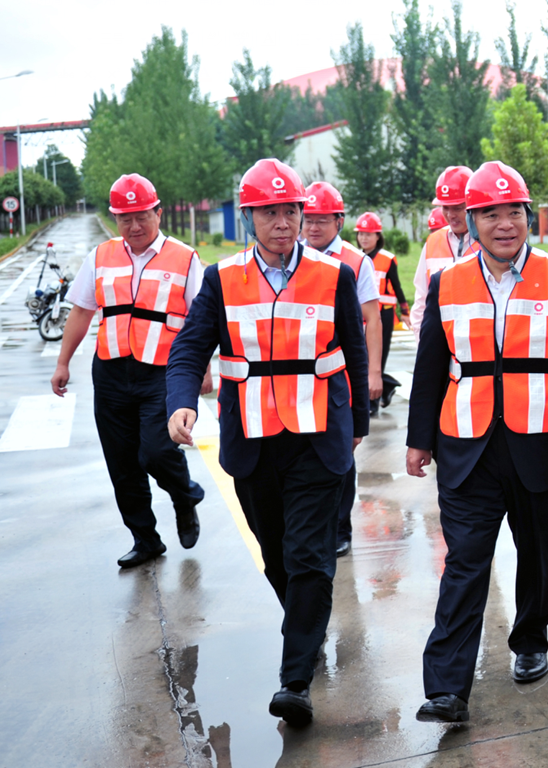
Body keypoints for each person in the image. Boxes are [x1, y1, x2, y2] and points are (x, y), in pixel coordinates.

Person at [165, 158, 369, 726]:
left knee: (309, 557)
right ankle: (306, 626)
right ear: (248, 217)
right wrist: (181, 400)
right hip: (252, 440)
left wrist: (357, 428)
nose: (282, 222)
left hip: (319, 440)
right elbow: (189, 349)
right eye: (269, 212)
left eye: (290, 211)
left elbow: (354, 352)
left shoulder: (335, 276)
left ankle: (294, 680)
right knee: (277, 556)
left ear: (303, 215)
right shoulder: (222, 279)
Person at [406, 161, 548, 724]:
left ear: (527, 214)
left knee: (537, 549)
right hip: (466, 445)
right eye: (490, 213)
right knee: (465, 560)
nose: (504, 223)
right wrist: (420, 439)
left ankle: (531, 639)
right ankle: (446, 686)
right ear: (471, 219)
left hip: (542, 442)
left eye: (512, 211)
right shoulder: (448, 282)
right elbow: (429, 366)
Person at [50, 174, 210, 569]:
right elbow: (83, 310)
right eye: (125, 219)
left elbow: (204, 321)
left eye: (142, 216)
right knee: (121, 463)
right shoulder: (101, 256)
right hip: (111, 370)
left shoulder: (185, 258)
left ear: (158, 212)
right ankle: (146, 539)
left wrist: (203, 369)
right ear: (115, 218)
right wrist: (63, 362)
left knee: (156, 452)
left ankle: (184, 494)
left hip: (163, 372)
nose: (135, 226)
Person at [301, 182, 382, 558]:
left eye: (321, 220)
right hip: (302, 374)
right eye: (308, 220)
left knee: (342, 453)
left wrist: (373, 374)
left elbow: (372, 319)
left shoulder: (356, 261)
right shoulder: (290, 257)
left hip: (346, 373)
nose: (313, 228)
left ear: (339, 220)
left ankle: (339, 527)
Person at [409, 166, 479, 336]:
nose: (450, 215)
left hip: (478, 343)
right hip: (439, 342)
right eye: (445, 208)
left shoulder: (489, 242)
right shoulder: (433, 242)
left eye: (457, 208)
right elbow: (421, 298)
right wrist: (422, 341)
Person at [355, 212, 410, 409]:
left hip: (384, 314)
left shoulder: (388, 259)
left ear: (378, 236)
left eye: (368, 234)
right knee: (363, 356)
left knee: (379, 356)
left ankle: (374, 399)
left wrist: (405, 311)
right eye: (361, 234)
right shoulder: (356, 257)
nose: (364, 238)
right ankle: (387, 387)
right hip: (363, 315)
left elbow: (397, 286)